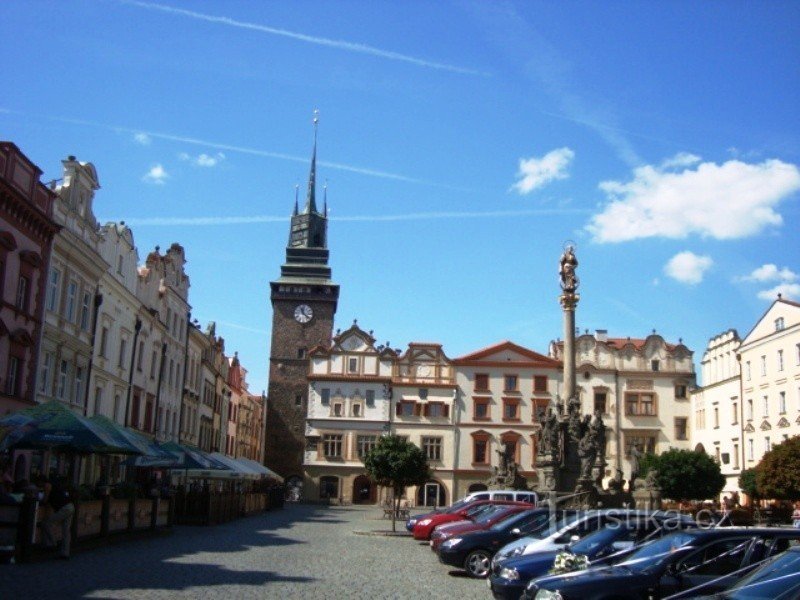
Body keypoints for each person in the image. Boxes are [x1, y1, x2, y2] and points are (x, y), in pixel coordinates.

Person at [41, 478, 75, 559]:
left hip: (64, 508)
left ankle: (53, 543)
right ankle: (65, 553)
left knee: (46, 523)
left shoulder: (47, 485)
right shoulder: (56, 487)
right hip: (70, 506)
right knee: (66, 531)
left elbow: (45, 499)